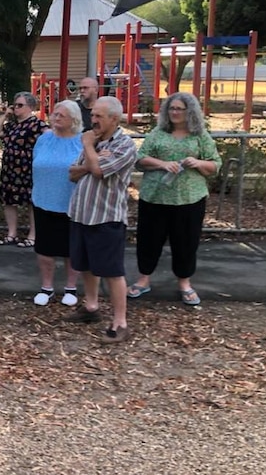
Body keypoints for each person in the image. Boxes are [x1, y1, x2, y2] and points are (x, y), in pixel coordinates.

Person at [128, 93, 221, 306]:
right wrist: (162, 164)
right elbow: (139, 159)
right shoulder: (158, 133)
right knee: (148, 241)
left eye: (180, 109)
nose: (175, 112)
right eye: (172, 108)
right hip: (155, 198)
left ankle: (185, 284)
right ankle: (143, 280)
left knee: (186, 243)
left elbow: (215, 165)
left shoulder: (199, 135)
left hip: (189, 200)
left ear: (190, 112)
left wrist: (197, 163)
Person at [66, 96, 137, 344]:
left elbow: (99, 171)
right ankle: (92, 306)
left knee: (112, 271)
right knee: (84, 265)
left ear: (114, 119)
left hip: (106, 217)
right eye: (93, 115)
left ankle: (120, 322)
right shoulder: (95, 143)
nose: (93, 120)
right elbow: (73, 173)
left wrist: (88, 150)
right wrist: (92, 159)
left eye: (99, 116)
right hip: (82, 215)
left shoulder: (124, 145)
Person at [30, 100, 83, 306]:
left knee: (71, 248)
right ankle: (47, 287)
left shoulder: (81, 141)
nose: (55, 118)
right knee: (45, 247)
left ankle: (71, 288)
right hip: (43, 200)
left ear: (74, 120)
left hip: (72, 203)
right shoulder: (44, 139)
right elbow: (37, 162)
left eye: (61, 115)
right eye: (54, 114)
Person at [0, 91, 48, 247]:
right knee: (9, 201)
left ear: (30, 107)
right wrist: (5, 115)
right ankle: (12, 233)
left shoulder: (38, 124)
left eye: (20, 105)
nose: (16, 108)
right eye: (14, 105)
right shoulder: (12, 125)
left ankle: (33, 235)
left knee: (31, 202)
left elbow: (50, 138)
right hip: (10, 169)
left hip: (28, 170)